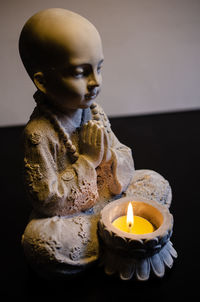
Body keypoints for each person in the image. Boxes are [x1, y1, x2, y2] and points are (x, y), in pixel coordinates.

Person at [19, 8, 172, 278]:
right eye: (81, 72)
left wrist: (112, 156)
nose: (96, 82)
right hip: (72, 216)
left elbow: (122, 152)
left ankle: (110, 234)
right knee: (39, 241)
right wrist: (88, 161)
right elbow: (45, 198)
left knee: (155, 182)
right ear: (42, 82)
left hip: (110, 196)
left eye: (99, 68)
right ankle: (111, 235)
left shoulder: (94, 112)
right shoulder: (39, 133)